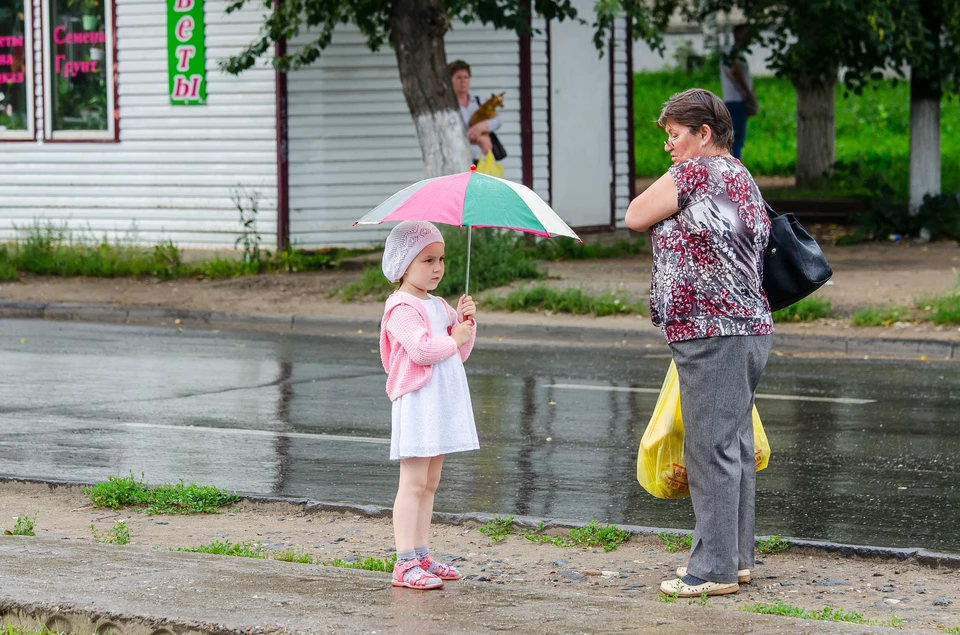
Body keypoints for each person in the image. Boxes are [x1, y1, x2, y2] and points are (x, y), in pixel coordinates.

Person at [624, 88, 773, 598]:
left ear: (703, 134)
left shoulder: (695, 173)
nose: (668, 146)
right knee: (733, 444)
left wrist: (677, 173)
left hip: (711, 331)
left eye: (674, 135)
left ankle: (712, 570)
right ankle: (737, 559)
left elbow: (635, 214)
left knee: (710, 449)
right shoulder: (741, 176)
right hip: (748, 327)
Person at [379, 220, 479, 590]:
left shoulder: (437, 304)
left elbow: (459, 352)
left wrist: (466, 323)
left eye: (442, 259)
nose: (438, 267)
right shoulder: (401, 307)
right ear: (404, 265)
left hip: (440, 402)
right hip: (419, 402)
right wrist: (454, 338)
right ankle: (404, 562)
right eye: (428, 260)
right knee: (413, 481)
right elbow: (422, 350)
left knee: (431, 482)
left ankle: (421, 554)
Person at [449, 59, 501, 163]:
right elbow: (450, 134)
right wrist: (478, 140)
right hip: (459, 160)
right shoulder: (448, 106)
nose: (463, 81)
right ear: (451, 80)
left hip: (482, 159)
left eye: (466, 77)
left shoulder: (479, 102)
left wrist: (483, 125)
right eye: (458, 78)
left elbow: (498, 120)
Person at [720, 24, 757, 161]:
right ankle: (735, 173)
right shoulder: (732, 52)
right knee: (736, 141)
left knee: (736, 140)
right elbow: (735, 72)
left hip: (735, 100)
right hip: (737, 100)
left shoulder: (734, 52)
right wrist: (748, 93)